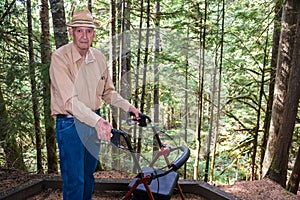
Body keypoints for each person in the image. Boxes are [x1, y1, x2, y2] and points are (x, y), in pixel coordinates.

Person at [50, 9, 140, 200]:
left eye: (88, 31)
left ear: (94, 33)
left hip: (94, 124)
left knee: (88, 177)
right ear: (71, 32)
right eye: (79, 30)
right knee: (75, 180)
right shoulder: (60, 58)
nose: (84, 36)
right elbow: (69, 102)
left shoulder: (98, 57)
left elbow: (108, 92)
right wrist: (98, 121)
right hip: (70, 124)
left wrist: (129, 107)